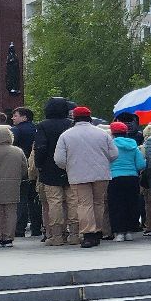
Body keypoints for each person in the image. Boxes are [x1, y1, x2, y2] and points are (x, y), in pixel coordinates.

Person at [55, 106, 117, 249]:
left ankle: (88, 234)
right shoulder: (103, 133)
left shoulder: (66, 135)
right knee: (98, 203)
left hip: (78, 174)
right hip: (101, 174)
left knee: (84, 204)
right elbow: (114, 154)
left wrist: (69, 166)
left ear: (74, 118)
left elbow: (59, 159)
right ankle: (98, 231)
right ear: (90, 117)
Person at [33, 97, 76, 246]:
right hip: (71, 168)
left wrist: (39, 164)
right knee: (72, 201)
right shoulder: (71, 124)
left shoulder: (43, 126)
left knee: (54, 203)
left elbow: (40, 147)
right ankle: (75, 235)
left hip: (49, 168)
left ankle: (57, 236)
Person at [106, 121, 145, 241]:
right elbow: (140, 164)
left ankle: (119, 233)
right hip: (132, 178)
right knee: (131, 204)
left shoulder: (110, 145)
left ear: (112, 133)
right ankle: (129, 231)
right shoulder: (133, 146)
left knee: (116, 205)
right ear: (126, 133)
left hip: (114, 178)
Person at [11, 106, 38, 238]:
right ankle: (36, 227)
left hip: (21, 168)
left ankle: (19, 229)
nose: (13, 118)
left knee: (21, 199)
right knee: (35, 199)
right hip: (36, 167)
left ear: (24, 117)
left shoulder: (15, 131)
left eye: (15, 115)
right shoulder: (36, 129)